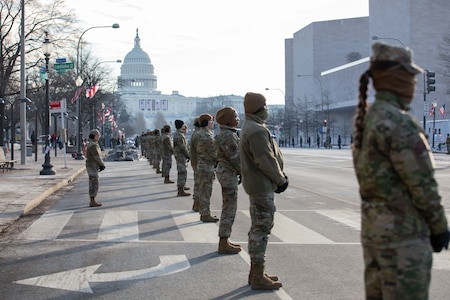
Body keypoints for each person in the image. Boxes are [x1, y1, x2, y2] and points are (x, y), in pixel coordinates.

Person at [352, 42, 449, 299]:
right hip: (403, 238)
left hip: (375, 234)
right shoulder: (398, 122)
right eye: (410, 77)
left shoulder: (370, 118)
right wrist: (439, 227)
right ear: (397, 76)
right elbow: (422, 183)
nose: (414, 84)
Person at [240, 92, 288, 290]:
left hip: (257, 185)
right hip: (262, 186)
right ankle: (257, 276)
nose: (267, 108)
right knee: (261, 229)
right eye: (265, 105)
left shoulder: (252, 127)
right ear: (259, 108)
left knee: (258, 227)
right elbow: (265, 159)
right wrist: (280, 180)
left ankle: (255, 273)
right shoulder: (256, 130)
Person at [215, 106, 242, 254]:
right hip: (228, 174)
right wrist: (244, 171)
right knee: (229, 208)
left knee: (228, 206)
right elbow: (235, 158)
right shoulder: (228, 136)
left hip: (226, 173)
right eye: (235, 116)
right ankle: (223, 242)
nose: (238, 119)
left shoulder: (227, 134)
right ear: (228, 120)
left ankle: (225, 239)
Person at [196, 113, 219, 222]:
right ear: (206, 122)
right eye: (211, 121)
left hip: (203, 165)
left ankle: (204, 212)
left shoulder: (201, 133)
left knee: (203, 190)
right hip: (207, 166)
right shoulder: (206, 136)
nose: (212, 123)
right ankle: (205, 214)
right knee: (206, 191)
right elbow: (214, 153)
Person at [85, 129, 105, 207]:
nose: (98, 137)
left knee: (93, 182)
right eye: (97, 136)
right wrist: (102, 164)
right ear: (94, 136)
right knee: (94, 183)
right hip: (92, 166)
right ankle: (92, 200)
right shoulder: (93, 145)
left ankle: (92, 199)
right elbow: (97, 156)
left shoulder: (92, 144)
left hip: (92, 166)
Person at [173, 119, 191, 196]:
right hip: (181, 156)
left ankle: (182, 186)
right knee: (182, 172)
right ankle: (180, 190)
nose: (185, 126)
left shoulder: (179, 134)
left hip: (180, 155)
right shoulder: (179, 135)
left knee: (182, 171)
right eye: (183, 125)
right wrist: (188, 155)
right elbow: (183, 147)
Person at [189, 118, 201, 212]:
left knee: (199, 183)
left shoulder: (196, 133)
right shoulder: (198, 135)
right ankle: (197, 203)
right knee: (199, 184)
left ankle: (197, 203)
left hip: (197, 162)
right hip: (199, 163)